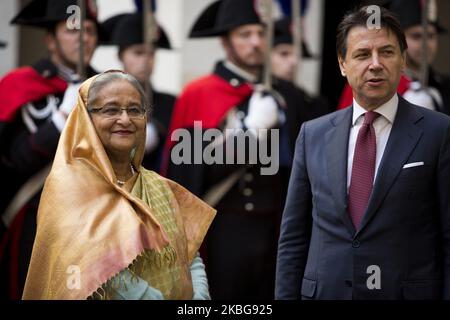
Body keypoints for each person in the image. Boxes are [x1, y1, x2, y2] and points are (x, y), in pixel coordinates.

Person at [276, 6, 450, 299]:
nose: (375, 64)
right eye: (361, 55)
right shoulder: (313, 134)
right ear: (342, 64)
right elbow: (293, 238)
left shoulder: (439, 131)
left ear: (403, 60)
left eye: (387, 52)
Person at [163, 0, 328, 300]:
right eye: (244, 34)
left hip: (278, 229)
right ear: (225, 43)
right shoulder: (199, 93)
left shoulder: (287, 94)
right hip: (224, 230)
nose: (255, 42)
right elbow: (186, 172)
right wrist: (248, 134)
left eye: (260, 33)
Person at [22, 70, 215, 300]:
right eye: (111, 110)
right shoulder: (70, 189)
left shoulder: (159, 185)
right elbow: (92, 268)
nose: (125, 119)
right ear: (86, 118)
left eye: (134, 110)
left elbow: (189, 254)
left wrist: (200, 298)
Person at [0, 0, 100, 300]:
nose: (83, 38)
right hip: (36, 219)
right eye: (73, 30)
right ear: (50, 39)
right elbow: (16, 160)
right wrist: (60, 119)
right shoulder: (21, 84)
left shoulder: (111, 86)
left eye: (91, 30)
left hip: (93, 222)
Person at [338, 0, 450, 115]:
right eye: (416, 36)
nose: (426, 45)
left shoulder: (443, 85)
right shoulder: (364, 82)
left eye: (431, 36)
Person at [101, 13, 176, 172]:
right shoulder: (103, 100)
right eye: (138, 52)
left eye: (151, 54)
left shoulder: (171, 103)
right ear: (121, 56)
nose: (145, 61)